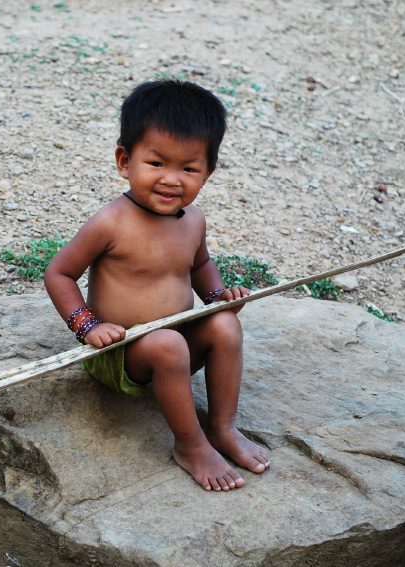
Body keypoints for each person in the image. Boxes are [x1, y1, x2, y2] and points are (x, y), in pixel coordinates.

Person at [43, 80, 270, 492]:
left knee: (225, 327)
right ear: (124, 161)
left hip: (180, 342)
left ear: (208, 172)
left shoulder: (194, 221)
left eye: (188, 168)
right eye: (156, 164)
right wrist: (87, 326)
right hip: (121, 351)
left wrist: (218, 298)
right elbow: (58, 274)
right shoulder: (111, 222)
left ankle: (221, 427)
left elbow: (200, 264)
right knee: (167, 344)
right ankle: (190, 444)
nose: (171, 180)